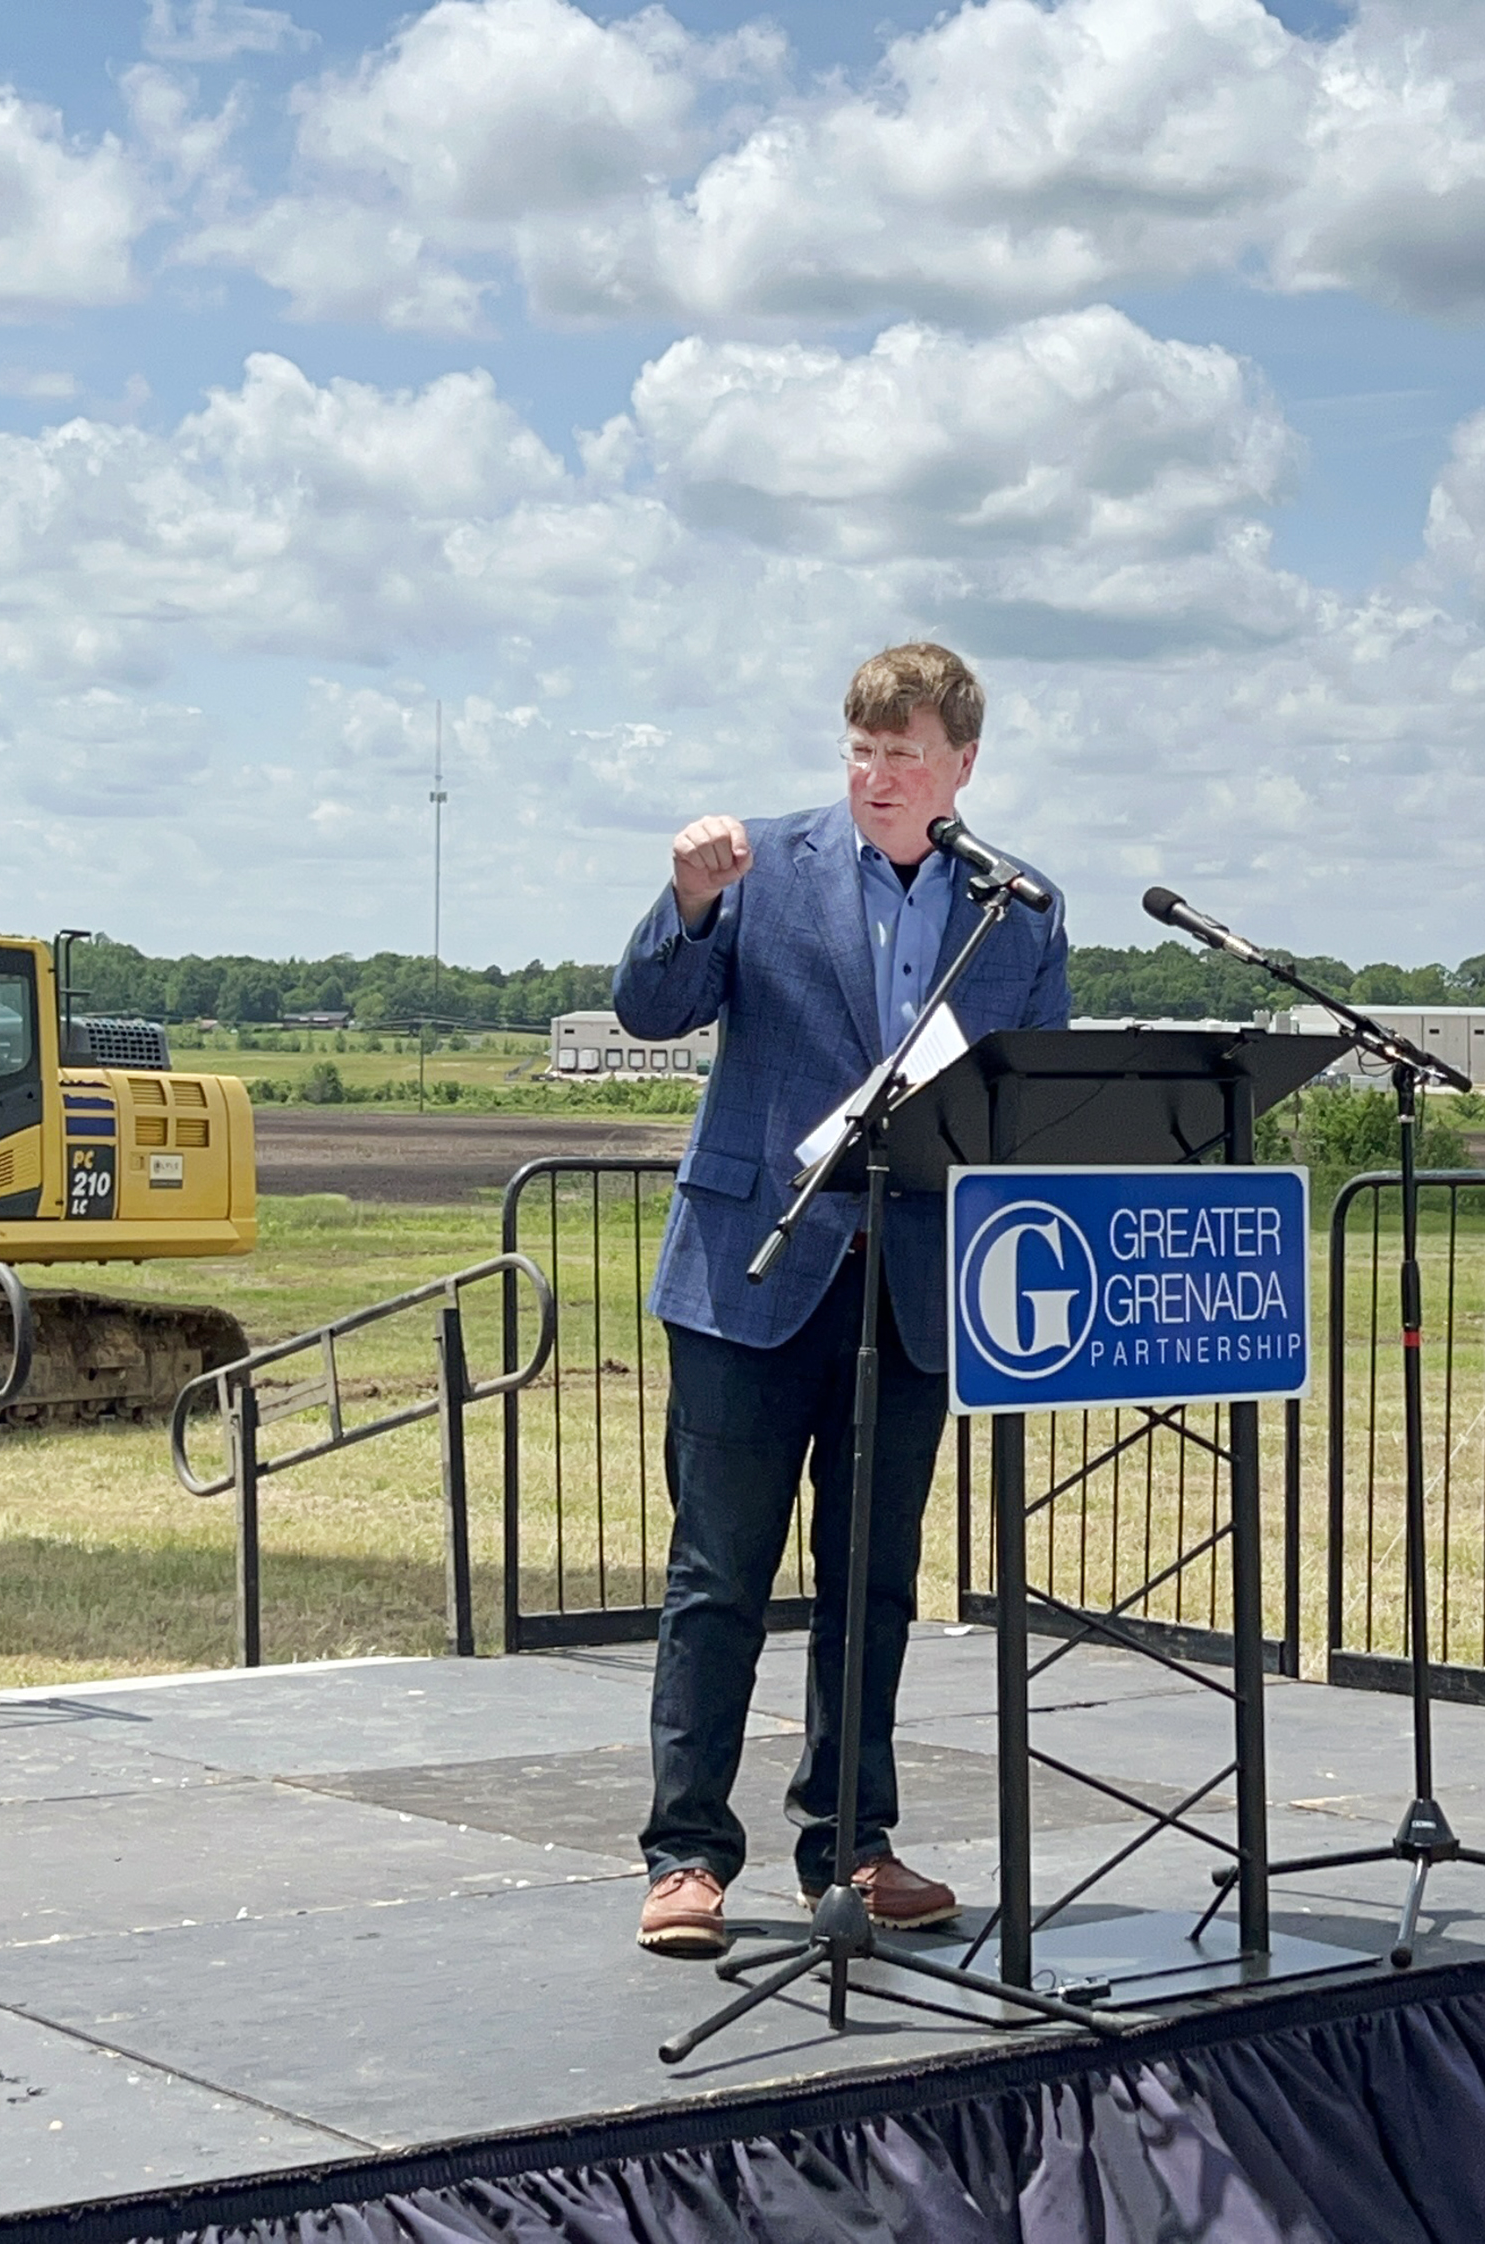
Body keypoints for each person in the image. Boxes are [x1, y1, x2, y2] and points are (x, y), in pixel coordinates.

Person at [611, 642, 1072, 1960]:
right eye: (862, 751)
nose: (878, 777)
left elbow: (1022, 1107)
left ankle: (855, 1844)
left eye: (906, 755)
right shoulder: (757, 865)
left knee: (873, 1585)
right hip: (750, 1277)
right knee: (719, 1580)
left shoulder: (1018, 910)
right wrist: (687, 904)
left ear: (963, 765)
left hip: (910, 1289)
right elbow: (652, 1007)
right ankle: (687, 1854)